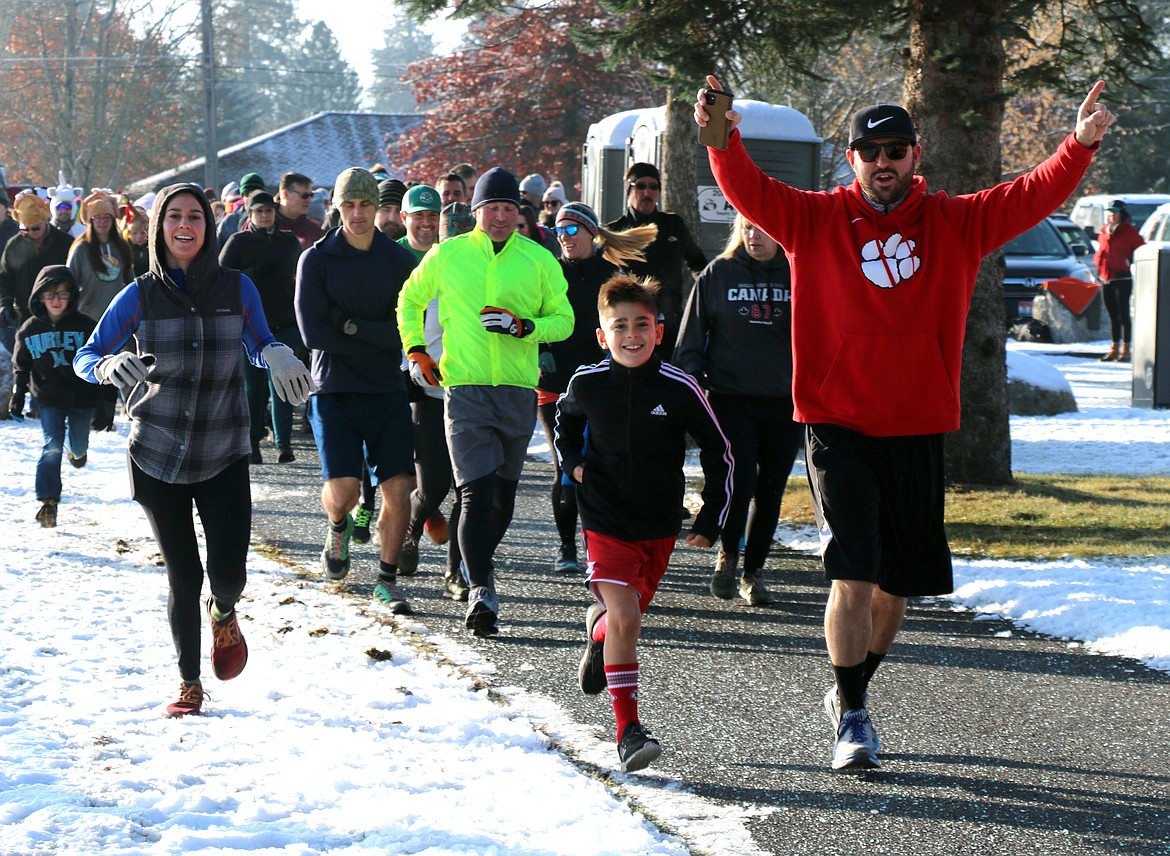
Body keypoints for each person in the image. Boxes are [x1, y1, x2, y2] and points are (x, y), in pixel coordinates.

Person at [695, 74, 1116, 770]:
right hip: (837, 422)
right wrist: (721, 138)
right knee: (854, 571)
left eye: (895, 149)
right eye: (870, 151)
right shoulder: (814, 220)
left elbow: (1030, 193)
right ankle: (854, 714)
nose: (882, 161)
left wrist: (1078, 144)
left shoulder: (954, 223)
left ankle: (852, 686)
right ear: (852, 160)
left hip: (917, 422)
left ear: (915, 156)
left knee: (898, 583)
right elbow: (749, 189)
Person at [74, 182, 313, 718]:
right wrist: (108, 366)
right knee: (184, 573)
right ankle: (188, 682)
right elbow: (87, 354)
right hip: (156, 451)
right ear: (159, 227)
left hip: (224, 448)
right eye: (174, 217)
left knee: (229, 575)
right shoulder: (138, 295)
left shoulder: (237, 288)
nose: (186, 226)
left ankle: (223, 611)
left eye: (196, 217)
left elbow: (259, 342)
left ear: (208, 226)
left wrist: (276, 353)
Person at [555, 273, 732, 772]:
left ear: (659, 330)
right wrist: (572, 463)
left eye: (641, 325)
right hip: (604, 517)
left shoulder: (681, 388)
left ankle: (598, 635)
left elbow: (721, 452)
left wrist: (711, 515)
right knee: (628, 615)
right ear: (602, 335)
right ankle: (627, 730)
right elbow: (565, 422)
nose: (630, 335)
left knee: (623, 620)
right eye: (619, 326)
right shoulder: (586, 382)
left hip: (657, 524)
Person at [397, 167, 573, 637]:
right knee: (475, 493)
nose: (500, 217)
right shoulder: (448, 254)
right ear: (475, 212)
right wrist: (416, 349)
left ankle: (478, 571)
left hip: (517, 390)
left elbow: (565, 319)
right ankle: (480, 590)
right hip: (465, 389)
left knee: (504, 501)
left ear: (520, 213)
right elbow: (409, 300)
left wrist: (523, 326)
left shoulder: (538, 259)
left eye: (509, 209)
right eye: (491, 208)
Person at [294, 167, 419, 615]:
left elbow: (408, 329)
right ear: (337, 207)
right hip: (334, 389)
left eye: (366, 204)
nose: (358, 213)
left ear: (379, 208)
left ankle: (386, 581)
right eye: (349, 204)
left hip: (386, 387)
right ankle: (337, 525)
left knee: (399, 489)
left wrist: (349, 325)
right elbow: (313, 333)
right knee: (345, 492)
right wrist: (373, 332)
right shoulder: (316, 259)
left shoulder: (399, 261)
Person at [675, 211, 802, 606]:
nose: (754, 235)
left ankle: (755, 572)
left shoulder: (799, 273)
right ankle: (728, 557)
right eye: (747, 227)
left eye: (762, 227)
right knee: (740, 482)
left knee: (770, 491)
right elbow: (691, 336)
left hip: (785, 402)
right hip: (731, 399)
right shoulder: (719, 273)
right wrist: (693, 383)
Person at [537, 201, 657, 574]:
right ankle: (566, 548)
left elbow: (632, 323)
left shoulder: (613, 276)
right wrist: (540, 349)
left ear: (592, 232)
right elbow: (532, 313)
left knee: (600, 465)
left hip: (600, 385)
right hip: (554, 386)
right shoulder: (549, 272)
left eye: (572, 230)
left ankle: (602, 542)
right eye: (559, 231)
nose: (565, 238)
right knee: (566, 466)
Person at [10, 265, 100, 527]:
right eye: (50, 295)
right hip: (49, 397)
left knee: (78, 445)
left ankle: (76, 452)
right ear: (39, 297)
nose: (56, 300)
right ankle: (48, 500)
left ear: (72, 295)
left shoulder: (86, 327)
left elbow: (102, 361)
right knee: (51, 444)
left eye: (62, 293)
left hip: (83, 396)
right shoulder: (29, 329)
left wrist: (106, 401)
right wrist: (18, 394)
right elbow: (21, 365)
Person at [220, 191, 303, 464]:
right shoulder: (239, 242)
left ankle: (283, 443)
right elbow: (220, 278)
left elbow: (301, 275)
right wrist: (250, 274)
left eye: (268, 211)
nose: (265, 216)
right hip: (251, 327)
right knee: (254, 389)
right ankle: (253, 441)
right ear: (249, 213)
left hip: (285, 321)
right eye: (259, 212)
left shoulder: (288, 241)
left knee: (284, 382)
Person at [606, 163, 708, 352]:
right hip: (631, 325)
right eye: (641, 186)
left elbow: (698, 263)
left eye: (654, 186)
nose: (648, 192)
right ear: (629, 190)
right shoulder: (615, 231)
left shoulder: (673, 224)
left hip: (670, 322)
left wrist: (708, 291)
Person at [69, 191, 134, 432]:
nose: (103, 222)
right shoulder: (82, 249)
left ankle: (107, 415)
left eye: (107, 217)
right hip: (87, 316)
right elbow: (69, 282)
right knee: (94, 367)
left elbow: (130, 280)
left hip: (117, 319)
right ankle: (91, 415)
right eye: (98, 218)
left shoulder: (121, 247)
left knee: (115, 367)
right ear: (90, 221)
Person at [0, 191, 74, 353]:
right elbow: (5, 277)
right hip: (26, 312)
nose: (31, 233)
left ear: (45, 221)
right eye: (26, 229)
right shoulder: (14, 245)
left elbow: (76, 276)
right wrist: (5, 303)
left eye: (35, 228)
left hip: (59, 310)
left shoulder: (65, 243)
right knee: (31, 356)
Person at [1094, 199, 1144, 363]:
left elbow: (1142, 251)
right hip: (1106, 278)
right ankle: (1114, 348)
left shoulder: (1130, 232)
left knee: (1123, 315)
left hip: (1122, 278)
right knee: (1112, 315)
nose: (1112, 214)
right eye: (1110, 211)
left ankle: (1126, 349)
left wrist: (1129, 261)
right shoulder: (1103, 232)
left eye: (1115, 212)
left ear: (1122, 214)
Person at [215, 172, 266, 249]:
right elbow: (215, 252)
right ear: (242, 196)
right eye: (249, 194)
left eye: (258, 194)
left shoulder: (271, 219)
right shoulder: (229, 223)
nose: (253, 199)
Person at [276, 172, 326, 248]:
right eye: (304, 196)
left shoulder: (314, 231)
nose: (309, 200)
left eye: (311, 195)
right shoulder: (264, 222)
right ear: (285, 194)